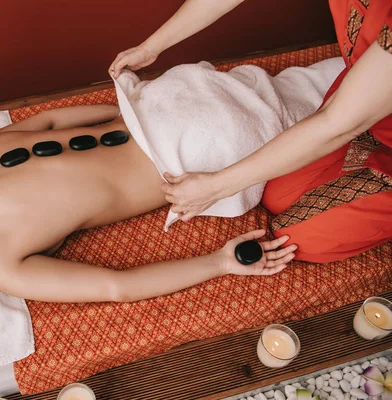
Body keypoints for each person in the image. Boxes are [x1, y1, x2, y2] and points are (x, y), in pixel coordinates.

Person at [0, 105, 295, 303]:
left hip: (205, 155)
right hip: (170, 106)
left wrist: (218, 263)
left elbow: (118, 288)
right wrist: (123, 112)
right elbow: (50, 120)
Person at [110, 0, 392, 263]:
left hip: (353, 114)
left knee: (299, 237)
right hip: (364, 105)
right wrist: (151, 47)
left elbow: (336, 123)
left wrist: (216, 186)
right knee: (277, 194)